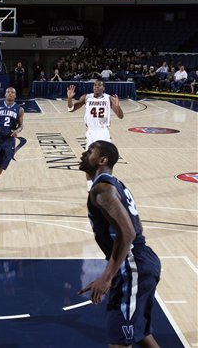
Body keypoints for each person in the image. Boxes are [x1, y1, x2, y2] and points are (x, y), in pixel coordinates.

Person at [78, 140, 161, 348]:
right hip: (140, 262)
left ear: (102, 160)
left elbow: (128, 232)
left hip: (132, 266)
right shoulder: (114, 184)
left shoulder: (102, 190)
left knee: (119, 341)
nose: (83, 154)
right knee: (138, 332)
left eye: (90, 151)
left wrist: (107, 277)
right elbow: (135, 227)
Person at [67, 79, 124, 191]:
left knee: (105, 163)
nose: (96, 87)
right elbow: (71, 109)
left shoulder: (108, 98)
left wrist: (118, 106)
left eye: (99, 85)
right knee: (89, 162)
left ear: (104, 88)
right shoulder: (86, 97)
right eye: (95, 85)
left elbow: (120, 116)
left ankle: (106, 185)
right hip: (91, 132)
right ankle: (90, 189)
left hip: (103, 132)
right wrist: (69, 99)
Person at [0, 87, 24, 190]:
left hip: (9, 140)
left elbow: (21, 125)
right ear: (5, 94)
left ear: (15, 96)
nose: (10, 94)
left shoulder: (19, 109)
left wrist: (17, 131)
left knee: (1, 165)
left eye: (12, 92)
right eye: (8, 92)